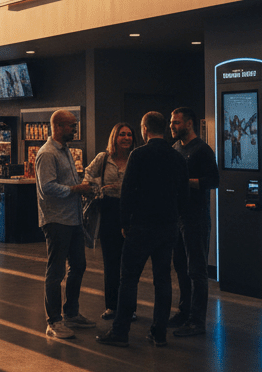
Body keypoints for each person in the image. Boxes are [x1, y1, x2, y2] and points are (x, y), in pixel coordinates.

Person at [97, 111, 188, 348]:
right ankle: (159, 333)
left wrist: (125, 223)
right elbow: (184, 194)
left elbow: (127, 193)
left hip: (141, 226)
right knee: (163, 281)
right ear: (164, 129)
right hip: (167, 227)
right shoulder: (177, 157)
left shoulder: (138, 155)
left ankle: (120, 331)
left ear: (144, 129)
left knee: (128, 279)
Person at [35, 109, 96, 339]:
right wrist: (76, 190)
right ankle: (54, 321)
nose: (75, 129)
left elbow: (68, 183)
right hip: (56, 220)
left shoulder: (66, 151)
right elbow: (47, 187)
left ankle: (71, 313)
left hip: (73, 219)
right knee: (56, 271)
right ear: (58, 126)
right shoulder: (47, 154)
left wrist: (84, 189)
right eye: (71, 125)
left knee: (78, 265)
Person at [169, 107, 219, 336]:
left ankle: (197, 321)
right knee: (180, 265)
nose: (172, 125)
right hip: (178, 216)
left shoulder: (202, 149)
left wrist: (185, 182)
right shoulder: (175, 148)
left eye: (176, 122)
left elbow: (214, 180)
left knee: (197, 270)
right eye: (171, 122)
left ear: (189, 124)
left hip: (195, 217)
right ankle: (184, 311)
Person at [83, 122, 139, 321]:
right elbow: (87, 175)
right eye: (122, 134)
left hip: (131, 213)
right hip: (109, 212)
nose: (126, 138)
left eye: (129, 135)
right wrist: (102, 187)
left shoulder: (136, 158)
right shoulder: (103, 158)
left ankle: (129, 308)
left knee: (130, 263)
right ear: (114, 138)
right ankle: (111, 307)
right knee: (111, 262)